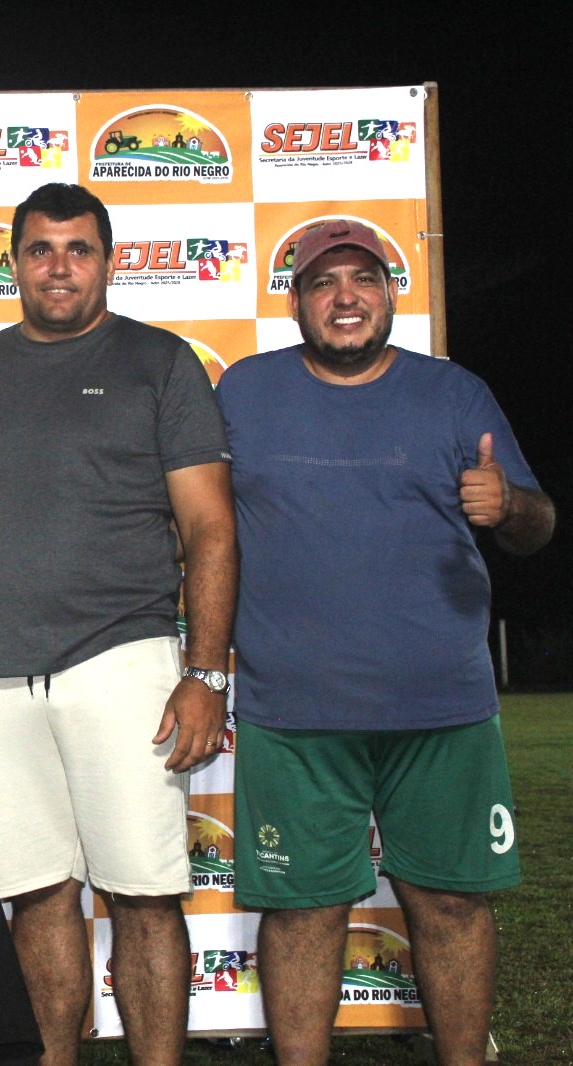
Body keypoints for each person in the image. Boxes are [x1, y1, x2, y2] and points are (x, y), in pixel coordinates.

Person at [216, 218, 554, 1065]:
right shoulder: (244, 392)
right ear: (295, 302)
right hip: (292, 710)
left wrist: (508, 505)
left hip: (441, 707)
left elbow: (538, 523)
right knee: (301, 913)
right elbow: (197, 523)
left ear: (390, 293)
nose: (345, 297)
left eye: (363, 278)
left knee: (452, 905)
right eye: (323, 282)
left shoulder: (454, 393)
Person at [0, 183, 236, 1066]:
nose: (60, 267)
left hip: (124, 660)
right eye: (41, 249)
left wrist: (206, 673)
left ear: (109, 261)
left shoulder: (160, 361)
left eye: (79, 249)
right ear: (14, 264)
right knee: (36, 895)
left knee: (144, 896)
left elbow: (210, 528)